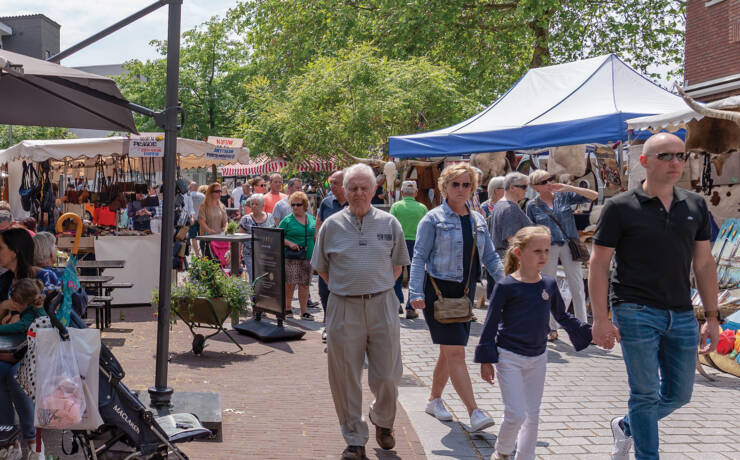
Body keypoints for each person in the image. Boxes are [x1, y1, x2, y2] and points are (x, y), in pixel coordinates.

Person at [590, 133, 719, 460]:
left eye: (679, 155)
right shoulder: (620, 207)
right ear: (644, 161)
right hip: (634, 309)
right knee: (645, 393)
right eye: (665, 156)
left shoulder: (695, 205)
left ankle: (627, 426)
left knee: (679, 394)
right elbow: (599, 263)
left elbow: (703, 263)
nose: (675, 162)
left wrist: (712, 317)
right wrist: (601, 319)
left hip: (681, 312)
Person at [312, 164, 410, 460]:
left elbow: (397, 266)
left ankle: (382, 418)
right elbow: (323, 269)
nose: (357, 193)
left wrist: (375, 287)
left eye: (363, 188)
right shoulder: (331, 225)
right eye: (352, 188)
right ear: (344, 190)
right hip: (344, 306)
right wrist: (348, 289)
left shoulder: (390, 223)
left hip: (382, 305)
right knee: (344, 377)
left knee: (389, 376)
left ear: (374, 190)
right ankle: (355, 438)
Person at [476, 226, 592, 460]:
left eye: (547, 251)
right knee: (516, 413)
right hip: (509, 357)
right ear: (518, 253)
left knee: (532, 415)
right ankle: (502, 452)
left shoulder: (548, 284)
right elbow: (490, 323)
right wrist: (486, 359)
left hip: (538, 357)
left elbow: (562, 316)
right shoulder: (506, 286)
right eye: (537, 251)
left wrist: (592, 331)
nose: (544, 256)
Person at [408, 163, 504, 433]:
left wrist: (509, 282)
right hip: (438, 292)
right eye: (455, 184)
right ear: (445, 187)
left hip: (465, 294)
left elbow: (490, 257)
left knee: (448, 351)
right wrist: (414, 293)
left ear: (473, 188)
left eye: (466, 184)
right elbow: (419, 257)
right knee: (455, 351)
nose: (461, 189)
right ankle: (474, 411)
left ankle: (434, 399)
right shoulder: (432, 218)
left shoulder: (478, 219)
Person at [526, 170, 598, 341]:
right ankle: (550, 327)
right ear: (536, 187)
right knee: (548, 286)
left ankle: (583, 327)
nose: (549, 183)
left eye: (550, 179)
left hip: (569, 243)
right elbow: (531, 230)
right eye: (544, 182)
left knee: (577, 285)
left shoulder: (563, 196)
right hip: (547, 247)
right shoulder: (532, 205)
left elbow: (594, 195)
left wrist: (568, 187)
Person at [0, 278, 46, 459]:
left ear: (21, 303)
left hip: (37, 358)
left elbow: (22, 326)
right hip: (25, 353)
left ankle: (32, 440)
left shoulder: (32, 312)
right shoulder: (32, 309)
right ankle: (7, 437)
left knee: (16, 377)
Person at [315, 170, 349, 341]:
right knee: (324, 290)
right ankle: (328, 324)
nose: (331, 186)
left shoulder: (354, 203)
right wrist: (318, 249)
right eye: (331, 182)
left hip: (348, 259)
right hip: (328, 257)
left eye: (335, 183)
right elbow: (318, 225)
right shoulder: (327, 203)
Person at [389, 180, 427, 319]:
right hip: (417, 245)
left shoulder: (396, 207)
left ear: (402, 193)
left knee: (396, 274)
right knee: (414, 277)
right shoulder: (422, 208)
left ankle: (397, 302)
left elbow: (390, 226)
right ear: (416, 193)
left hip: (398, 244)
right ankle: (411, 308)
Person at [278, 191, 316, 321]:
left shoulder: (311, 219)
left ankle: (304, 311)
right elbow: (278, 236)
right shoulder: (287, 220)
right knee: (290, 283)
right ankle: (287, 308)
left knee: (304, 284)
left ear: (304, 205)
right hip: (291, 256)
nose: (295, 207)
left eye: (298, 204)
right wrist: (289, 243)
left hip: (308, 256)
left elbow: (315, 236)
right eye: (292, 204)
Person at [490, 172, 531, 259]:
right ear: (512, 187)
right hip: (511, 261)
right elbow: (513, 241)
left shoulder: (500, 204)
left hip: (502, 258)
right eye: (524, 187)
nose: (526, 190)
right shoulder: (510, 209)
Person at [238, 193, 274, 281]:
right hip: (250, 254)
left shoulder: (270, 217)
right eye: (252, 204)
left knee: (266, 278)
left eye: (256, 204)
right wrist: (238, 256)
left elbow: (274, 235)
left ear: (262, 205)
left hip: (267, 255)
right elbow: (239, 239)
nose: (253, 206)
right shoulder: (246, 219)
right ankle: (253, 295)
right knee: (254, 278)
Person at [198, 183, 228, 260]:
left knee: (219, 263)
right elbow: (201, 220)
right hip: (206, 239)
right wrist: (209, 230)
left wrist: (226, 230)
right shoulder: (203, 206)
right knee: (209, 264)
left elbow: (225, 221)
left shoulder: (221, 206)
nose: (219, 193)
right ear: (210, 192)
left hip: (219, 240)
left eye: (220, 191)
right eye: (217, 191)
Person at [187, 182, 205, 258]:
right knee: (202, 237)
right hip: (201, 218)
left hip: (192, 219)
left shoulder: (188, 196)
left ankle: (197, 254)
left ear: (190, 187)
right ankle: (203, 254)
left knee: (193, 237)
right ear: (197, 187)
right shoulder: (202, 196)